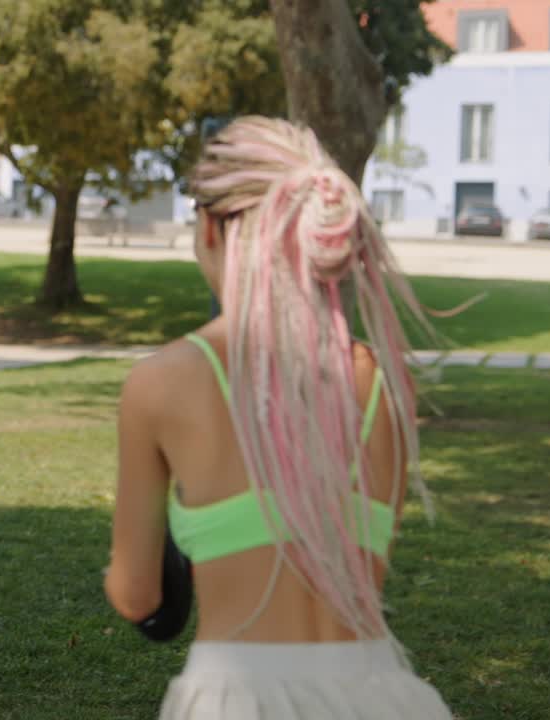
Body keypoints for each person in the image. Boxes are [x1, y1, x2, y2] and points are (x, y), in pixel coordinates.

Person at [104, 116, 454, 719]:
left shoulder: (161, 382)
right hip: (384, 695)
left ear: (212, 227)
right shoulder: (385, 387)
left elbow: (138, 596)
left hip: (238, 699)